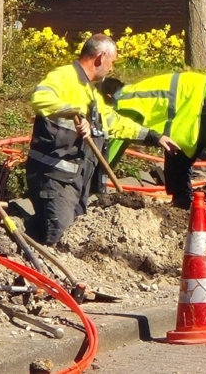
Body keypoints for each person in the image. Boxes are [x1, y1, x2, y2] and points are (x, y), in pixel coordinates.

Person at [26, 34, 177, 245]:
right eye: (111, 62)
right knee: (60, 237)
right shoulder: (63, 77)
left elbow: (114, 122)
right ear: (100, 57)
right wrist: (74, 112)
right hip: (54, 178)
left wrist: (154, 136)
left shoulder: (91, 92)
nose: (111, 68)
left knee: (74, 238)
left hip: (78, 182)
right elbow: (40, 98)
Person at [99, 71, 206, 228]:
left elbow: (117, 137)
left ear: (108, 96)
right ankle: (182, 207)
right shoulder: (136, 93)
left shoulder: (123, 99)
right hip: (190, 111)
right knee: (176, 160)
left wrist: (99, 172)